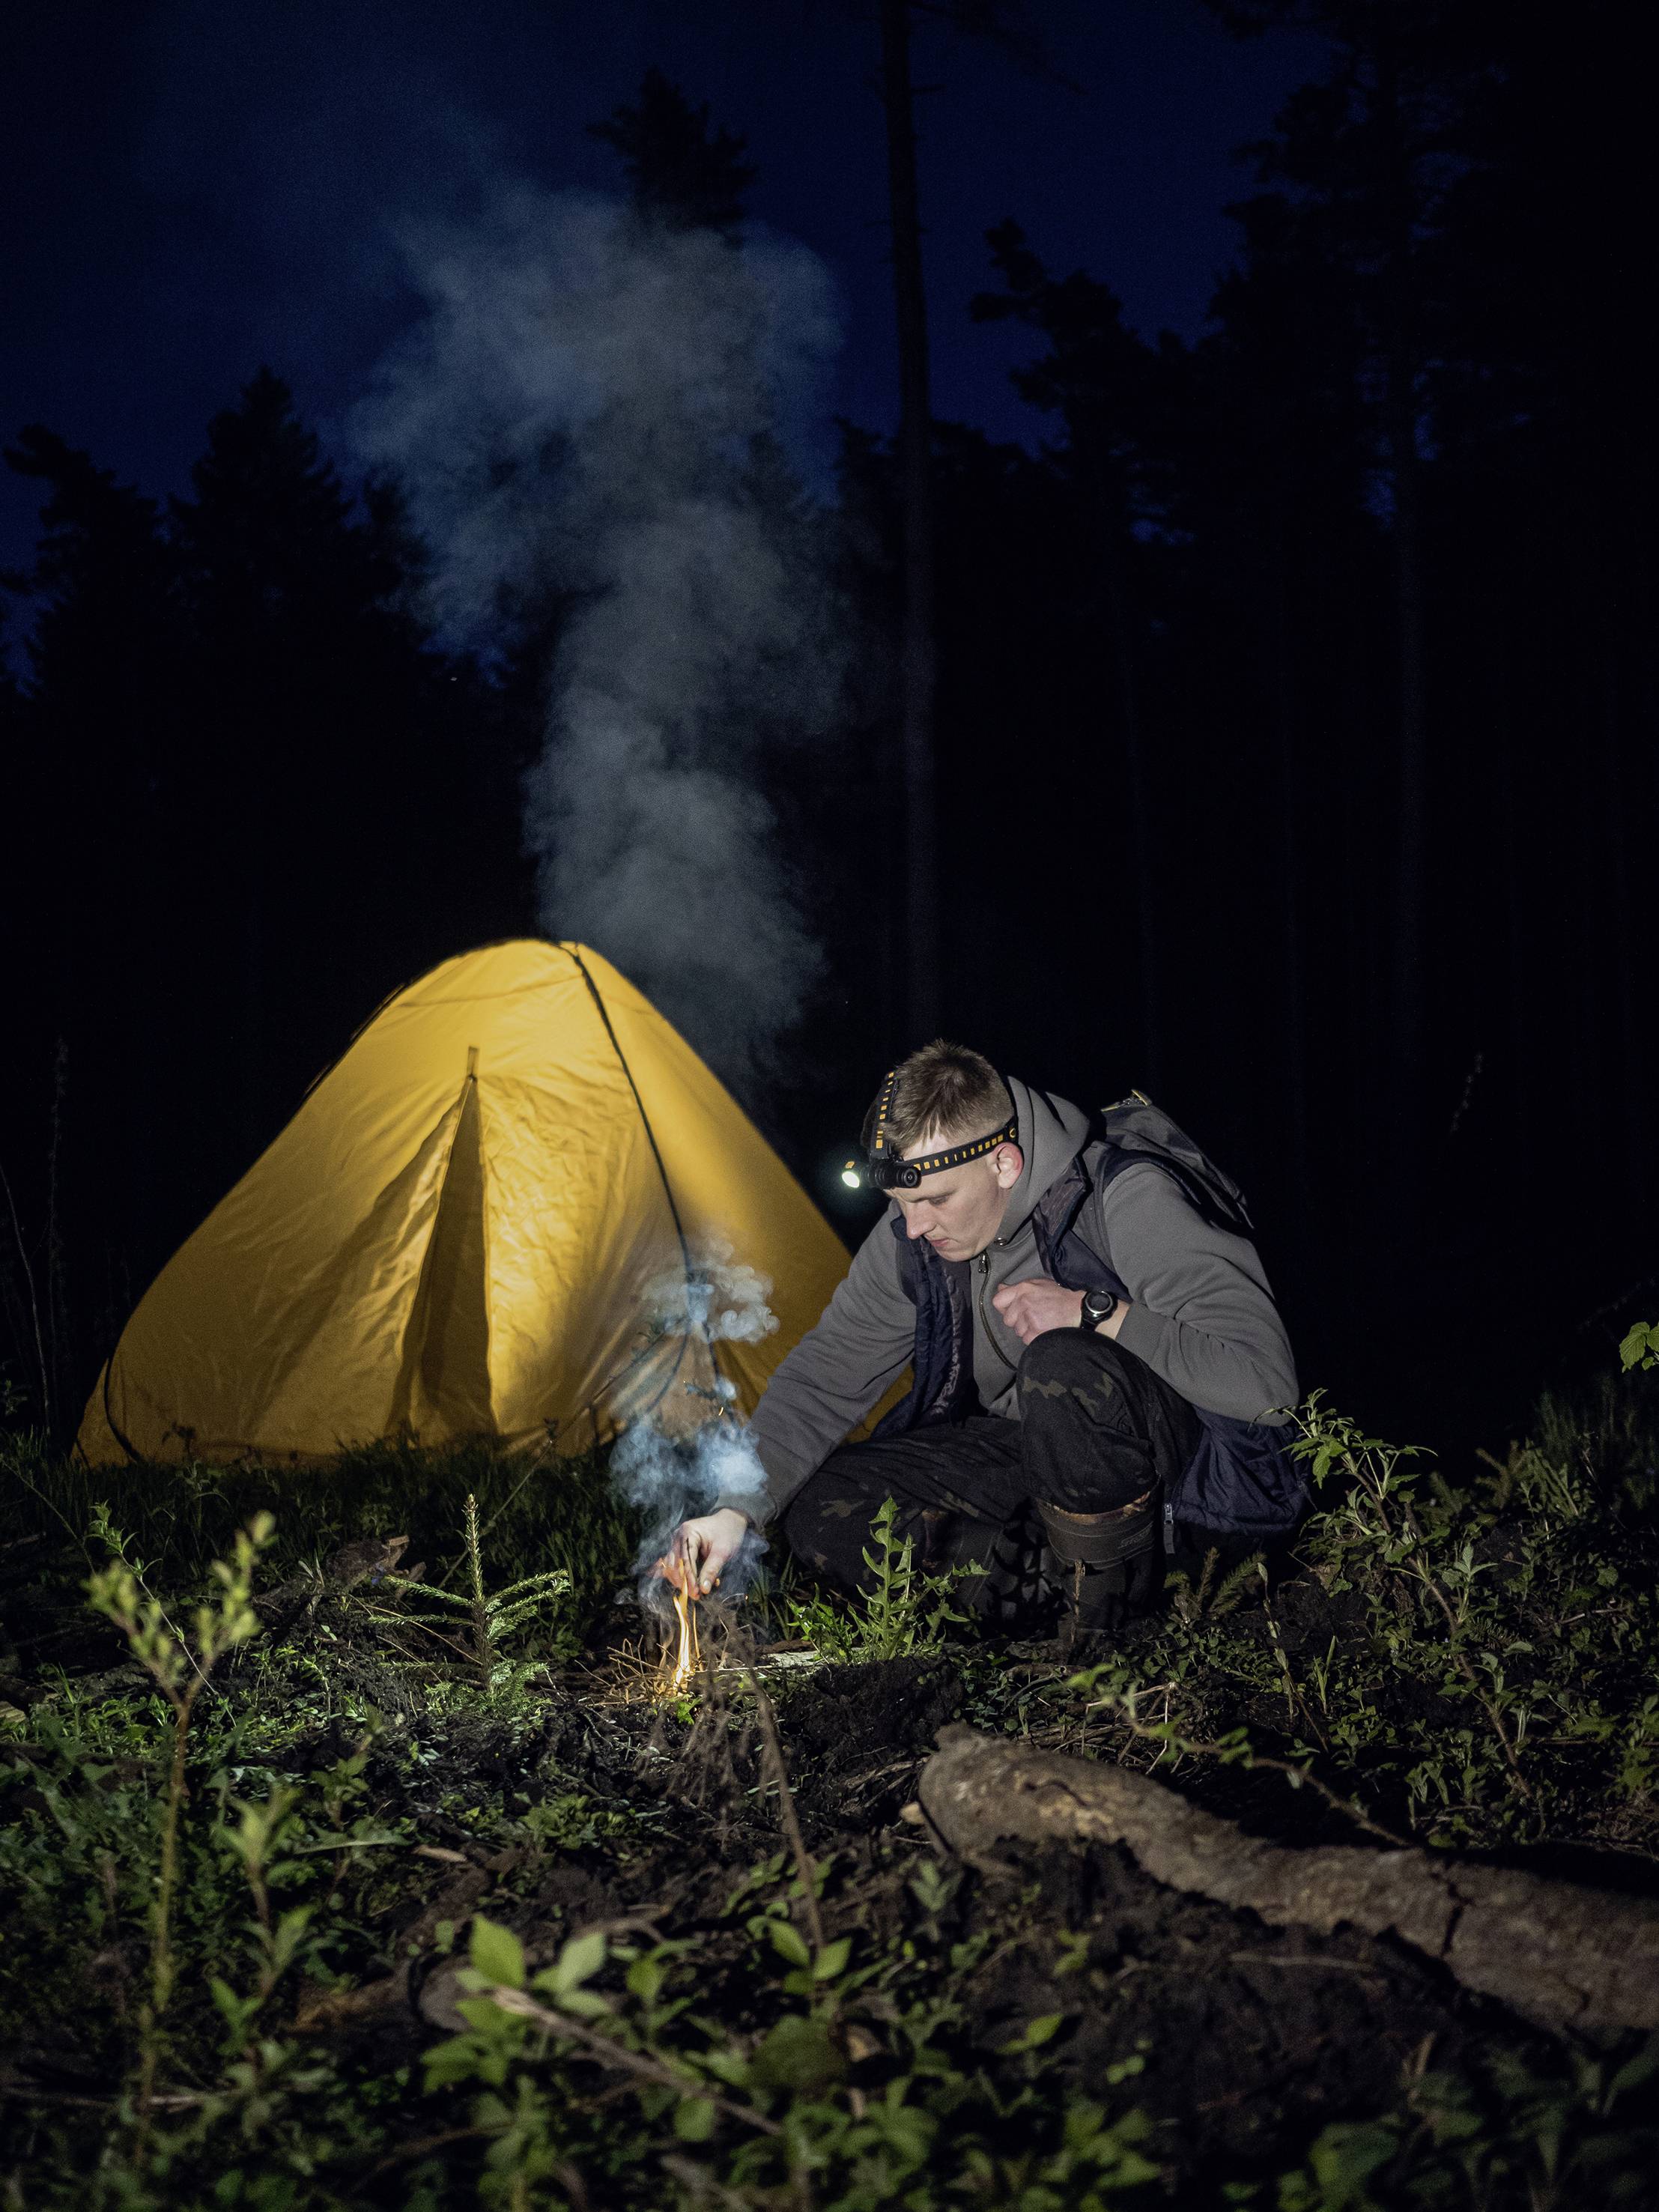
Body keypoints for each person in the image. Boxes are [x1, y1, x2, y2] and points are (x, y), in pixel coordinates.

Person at [661, 1043, 1298, 1640]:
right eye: (900, 1203)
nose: (913, 1227)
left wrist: (1095, 1311)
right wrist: (734, 1511)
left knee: (1061, 1361)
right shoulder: (916, 1231)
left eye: (934, 1200)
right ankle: (1048, 1605)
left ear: (1004, 1162)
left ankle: (1112, 1634)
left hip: (1181, 1484)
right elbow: (825, 1375)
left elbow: (1263, 1385)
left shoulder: (1126, 1195)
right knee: (820, 1506)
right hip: (1038, 1461)